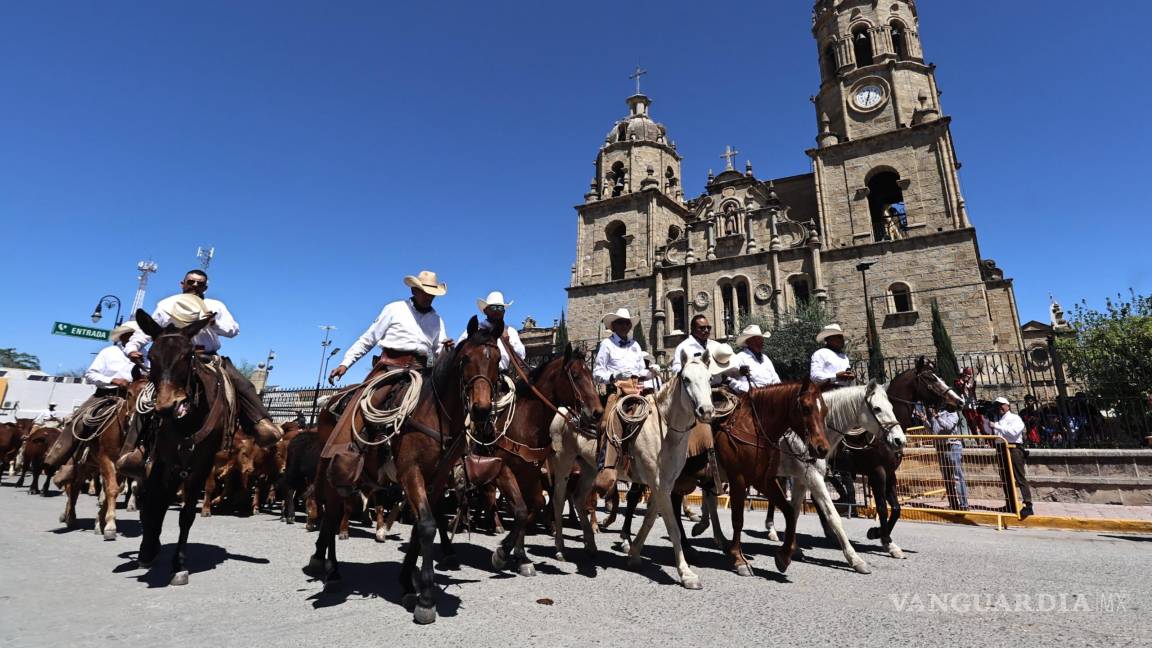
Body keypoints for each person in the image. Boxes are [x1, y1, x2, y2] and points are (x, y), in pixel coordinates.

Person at [125, 269, 282, 447]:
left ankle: (261, 424)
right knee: (147, 393)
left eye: (200, 284)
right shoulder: (166, 304)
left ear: (205, 287)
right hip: (175, 360)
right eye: (191, 282)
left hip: (208, 356)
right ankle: (132, 450)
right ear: (182, 284)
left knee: (243, 384)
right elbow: (148, 330)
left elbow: (233, 330)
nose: (195, 286)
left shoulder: (215, 305)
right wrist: (132, 348)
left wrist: (214, 323)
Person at [45, 321, 140, 476]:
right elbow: (90, 374)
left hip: (134, 398)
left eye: (138, 337)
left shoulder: (147, 356)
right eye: (132, 336)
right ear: (123, 337)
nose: (135, 339)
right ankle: (56, 459)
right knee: (78, 421)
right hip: (106, 395)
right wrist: (113, 380)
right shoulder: (109, 352)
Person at [329, 270, 453, 383]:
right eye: (425, 292)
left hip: (422, 373)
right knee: (369, 402)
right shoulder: (394, 309)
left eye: (432, 294)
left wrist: (446, 349)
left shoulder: (437, 320)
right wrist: (345, 364)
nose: (429, 297)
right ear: (414, 290)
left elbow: (437, 351)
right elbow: (368, 339)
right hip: (390, 369)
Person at [983, 396, 1034, 518]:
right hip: (1001, 448)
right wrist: (986, 421)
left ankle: (1028, 505)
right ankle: (1010, 503)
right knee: (1005, 478)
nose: (999, 407)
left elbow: (1013, 432)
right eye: (997, 405)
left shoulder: (1014, 418)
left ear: (1007, 405)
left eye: (1001, 405)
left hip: (1013, 448)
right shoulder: (997, 420)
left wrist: (996, 426)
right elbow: (989, 432)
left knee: (1019, 477)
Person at [456, 291, 525, 371]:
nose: (497, 311)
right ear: (485, 311)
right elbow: (459, 349)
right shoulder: (476, 329)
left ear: (504, 312)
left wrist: (509, 342)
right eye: (493, 308)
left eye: (500, 308)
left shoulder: (511, 331)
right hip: (477, 374)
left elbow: (521, 356)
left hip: (501, 374)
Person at [928, 403, 970, 510]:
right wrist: (925, 421)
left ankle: (964, 505)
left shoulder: (953, 414)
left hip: (952, 446)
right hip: (940, 447)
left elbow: (948, 427)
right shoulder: (935, 415)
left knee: (957, 477)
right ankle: (953, 504)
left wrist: (937, 417)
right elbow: (933, 431)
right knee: (946, 478)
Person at [592, 308, 648, 387]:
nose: (624, 326)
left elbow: (641, 369)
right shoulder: (607, 344)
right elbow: (597, 374)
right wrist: (613, 376)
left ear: (630, 326)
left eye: (627, 323)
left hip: (637, 389)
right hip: (616, 390)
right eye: (620, 322)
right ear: (613, 325)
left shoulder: (635, 345)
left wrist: (649, 373)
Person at [729, 324, 781, 393]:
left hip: (771, 397)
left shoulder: (766, 359)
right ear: (748, 341)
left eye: (761, 339)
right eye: (757, 339)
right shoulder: (739, 358)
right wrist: (750, 391)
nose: (761, 342)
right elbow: (730, 380)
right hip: (750, 399)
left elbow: (776, 379)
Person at [809, 323, 855, 388]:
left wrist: (850, 376)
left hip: (845, 392)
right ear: (829, 339)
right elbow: (815, 376)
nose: (842, 340)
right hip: (827, 392)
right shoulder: (820, 353)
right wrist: (836, 376)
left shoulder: (844, 357)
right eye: (839, 337)